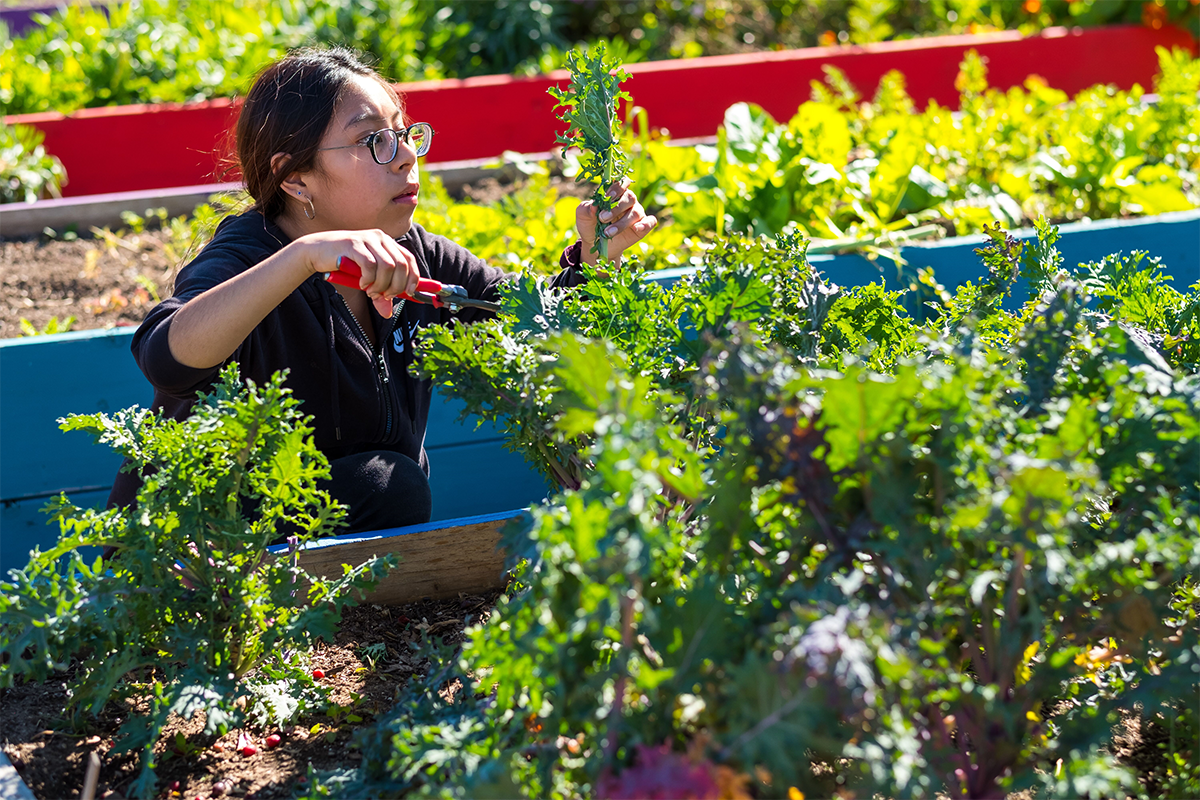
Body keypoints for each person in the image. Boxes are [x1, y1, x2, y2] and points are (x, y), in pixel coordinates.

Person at [107, 46, 657, 532]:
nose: (405, 155)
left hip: (328, 573)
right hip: (188, 568)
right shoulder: (247, 255)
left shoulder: (415, 252)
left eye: (402, 133)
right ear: (294, 178)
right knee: (389, 485)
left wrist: (591, 261)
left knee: (395, 482)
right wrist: (303, 259)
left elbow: (531, 322)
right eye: (373, 140)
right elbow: (165, 359)